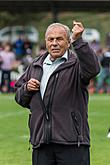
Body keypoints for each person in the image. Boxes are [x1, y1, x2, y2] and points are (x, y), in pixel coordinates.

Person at [15, 21, 100, 165]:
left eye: (59, 39)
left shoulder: (77, 64)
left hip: (72, 142)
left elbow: (93, 69)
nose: (54, 43)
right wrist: (26, 89)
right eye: (50, 39)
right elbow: (20, 98)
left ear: (68, 42)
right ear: (46, 42)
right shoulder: (36, 66)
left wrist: (78, 41)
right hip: (41, 142)